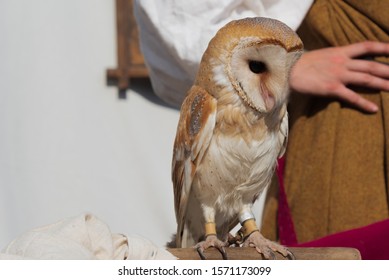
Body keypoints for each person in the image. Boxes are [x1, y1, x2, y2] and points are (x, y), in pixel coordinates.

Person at [134, 0, 389, 258]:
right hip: (344, 121)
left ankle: (250, 228)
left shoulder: (277, 115)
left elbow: (246, 191)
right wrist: (299, 69)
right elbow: (180, 15)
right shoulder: (205, 104)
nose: (272, 91)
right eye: (257, 67)